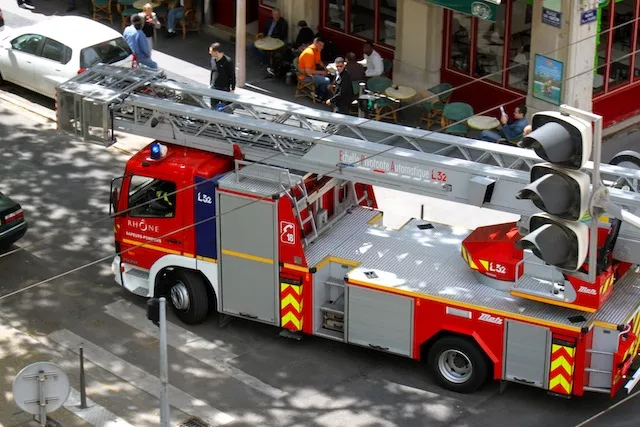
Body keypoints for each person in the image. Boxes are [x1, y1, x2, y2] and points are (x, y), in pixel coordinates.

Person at [252, 8, 288, 75]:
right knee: (252, 47)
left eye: (277, 14)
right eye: (274, 14)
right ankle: (263, 60)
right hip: (266, 38)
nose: (275, 16)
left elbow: (283, 35)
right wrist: (263, 35)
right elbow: (265, 29)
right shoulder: (269, 20)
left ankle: (266, 63)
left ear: (279, 15)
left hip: (275, 40)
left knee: (268, 51)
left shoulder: (283, 23)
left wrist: (273, 38)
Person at [298, 37, 331, 101]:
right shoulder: (309, 53)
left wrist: (325, 68)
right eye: (320, 45)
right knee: (327, 80)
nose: (322, 47)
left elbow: (318, 61)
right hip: (305, 76)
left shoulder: (316, 50)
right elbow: (308, 71)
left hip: (310, 72)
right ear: (315, 43)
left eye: (322, 46)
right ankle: (320, 96)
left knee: (326, 75)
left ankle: (319, 94)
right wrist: (321, 72)